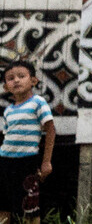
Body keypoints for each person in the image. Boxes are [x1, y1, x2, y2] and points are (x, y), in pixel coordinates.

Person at [0, 61, 54, 224]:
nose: (16, 80)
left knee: (30, 205)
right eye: (10, 78)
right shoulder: (8, 111)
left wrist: (46, 162)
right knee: (3, 203)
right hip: (4, 161)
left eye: (21, 76)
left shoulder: (38, 103)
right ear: (6, 87)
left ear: (33, 81)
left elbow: (50, 130)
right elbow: (7, 135)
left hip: (27, 162)